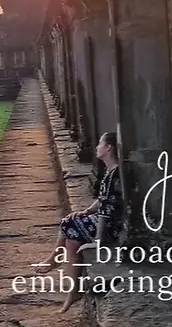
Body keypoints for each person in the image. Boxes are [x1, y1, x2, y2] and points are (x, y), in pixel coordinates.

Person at [35, 131, 122, 312]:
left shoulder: (116, 174)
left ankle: (55, 261)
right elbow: (102, 200)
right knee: (72, 236)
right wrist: (87, 211)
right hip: (104, 220)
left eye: (100, 144)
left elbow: (107, 211)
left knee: (68, 225)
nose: (97, 147)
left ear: (108, 147)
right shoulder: (110, 170)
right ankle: (72, 290)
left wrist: (98, 240)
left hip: (111, 227)